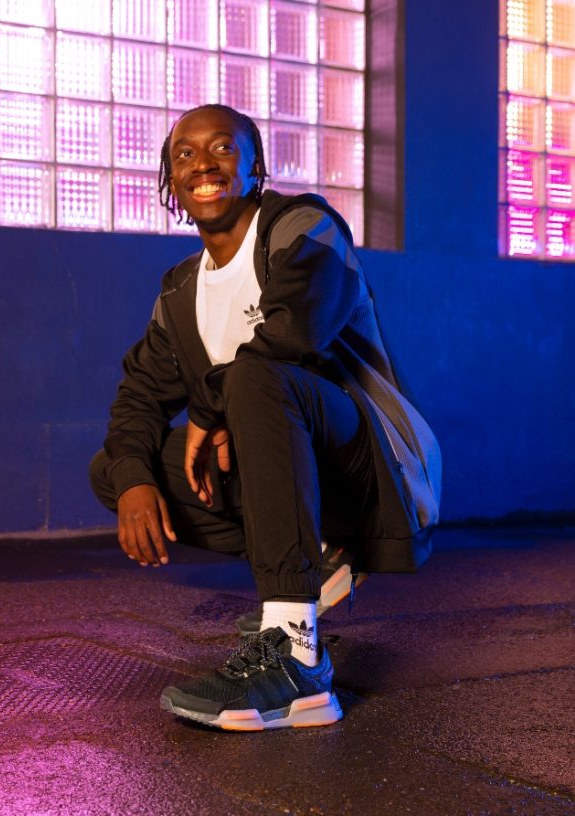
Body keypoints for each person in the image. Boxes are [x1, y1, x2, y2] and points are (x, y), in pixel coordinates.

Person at [89, 104, 441, 731]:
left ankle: (298, 659)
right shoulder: (180, 292)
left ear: (256, 169)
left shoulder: (305, 228)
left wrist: (209, 407)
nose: (203, 164)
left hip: (374, 474)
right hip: (296, 475)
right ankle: (323, 555)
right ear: (171, 181)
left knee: (255, 378)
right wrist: (132, 479)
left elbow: (294, 332)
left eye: (223, 148)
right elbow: (138, 396)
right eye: (184, 154)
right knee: (118, 469)